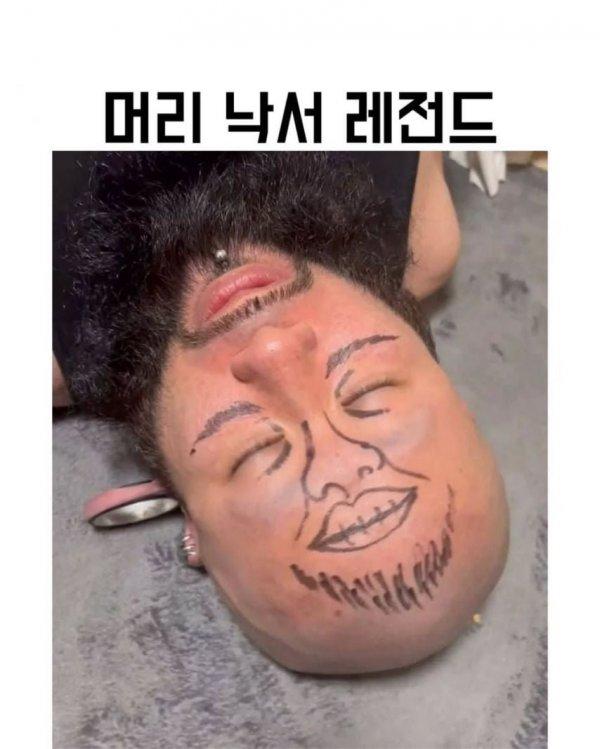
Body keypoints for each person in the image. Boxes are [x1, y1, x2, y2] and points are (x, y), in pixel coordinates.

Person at [53, 152, 508, 674]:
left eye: (256, 450)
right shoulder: (420, 229)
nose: (273, 349)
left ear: (191, 520)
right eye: (368, 392)